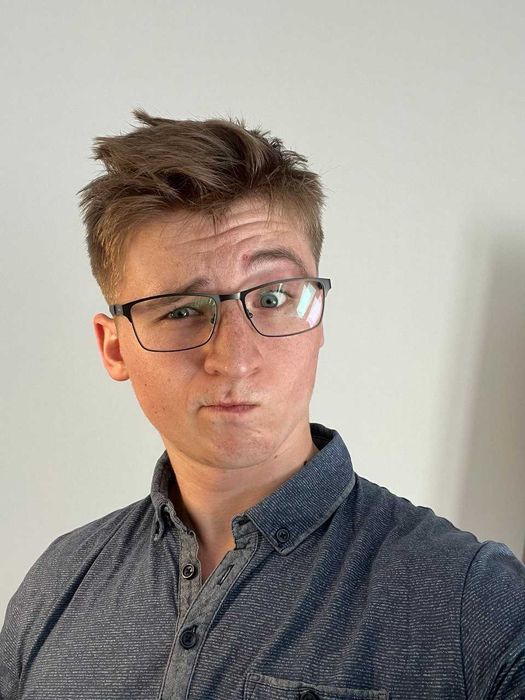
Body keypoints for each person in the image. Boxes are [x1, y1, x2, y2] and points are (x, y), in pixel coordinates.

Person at [1, 110, 524, 700]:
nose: (235, 358)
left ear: (318, 317)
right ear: (114, 347)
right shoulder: (56, 586)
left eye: (273, 298)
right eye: (181, 310)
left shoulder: (476, 604)